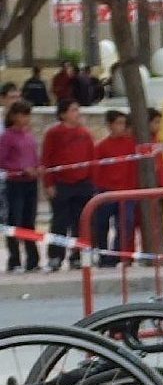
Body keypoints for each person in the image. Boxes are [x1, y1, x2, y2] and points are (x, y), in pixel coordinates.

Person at [41, 98, 95, 271]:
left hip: (82, 184)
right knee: (59, 222)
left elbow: (92, 159)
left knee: (81, 222)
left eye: (77, 109)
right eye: (73, 110)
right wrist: (49, 183)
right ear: (63, 114)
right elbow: (46, 159)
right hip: (62, 183)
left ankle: (77, 256)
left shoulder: (85, 134)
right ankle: (56, 256)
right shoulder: (54, 133)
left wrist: (92, 182)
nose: (76, 113)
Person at [90, 109, 137, 267]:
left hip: (126, 191)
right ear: (110, 125)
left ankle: (117, 254)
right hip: (106, 191)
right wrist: (97, 189)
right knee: (101, 225)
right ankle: (103, 255)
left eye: (123, 123)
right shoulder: (102, 146)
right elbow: (96, 170)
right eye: (118, 123)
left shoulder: (131, 144)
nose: (122, 127)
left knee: (126, 224)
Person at [0, 101, 41, 271]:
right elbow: (2, 160)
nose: (26, 119)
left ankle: (33, 260)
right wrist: (20, 169)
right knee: (14, 221)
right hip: (15, 184)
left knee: (29, 221)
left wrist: (38, 167)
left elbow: (33, 156)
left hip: (30, 183)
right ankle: (14, 259)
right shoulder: (7, 136)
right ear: (14, 116)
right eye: (23, 115)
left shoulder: (29, 136)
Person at [134, 108, 163, 257]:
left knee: (158, 219)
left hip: (160, 185)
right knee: (147, 220)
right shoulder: (144, 144)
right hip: (151, 186)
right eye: (156, 122)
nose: (159, 126)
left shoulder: (157, 141)